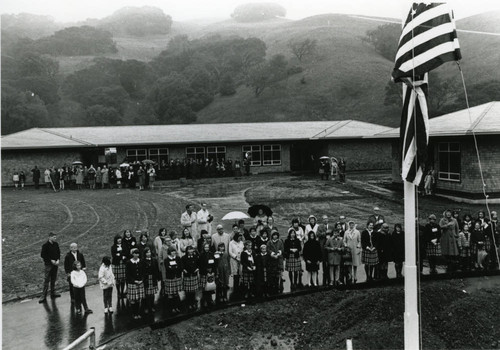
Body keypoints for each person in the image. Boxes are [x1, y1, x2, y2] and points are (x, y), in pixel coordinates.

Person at [39, 232, 61, 303]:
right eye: (54, 237)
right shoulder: (45, 246)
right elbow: (43, 255)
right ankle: (43, 296)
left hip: (55, 265)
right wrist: (50, 260)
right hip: (48, 265)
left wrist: (58, 260)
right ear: (50, 237)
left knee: (53, 279)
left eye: (55, 237)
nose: (55, 238)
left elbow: (58, 252)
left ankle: (52, 292)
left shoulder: (56, 244)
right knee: (46, 280)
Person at [126, 248, 145, 319]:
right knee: (133, 300)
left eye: (138, 254)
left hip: (140, 282)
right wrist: (134, 281)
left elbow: (143, 272)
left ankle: (138, 313)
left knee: (138, 299)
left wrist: (142, 280)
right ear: (132, 254)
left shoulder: (141, 261)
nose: (136, 255)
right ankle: (134, 314)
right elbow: (128, 275)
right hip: (133, 283)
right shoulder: (129, 262)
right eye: (135, 253)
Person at [163, 247, 182, 314]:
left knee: (176, 293)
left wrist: (173, 268)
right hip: (170, 278)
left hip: (177, 277)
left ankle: (176, 307)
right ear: (169, 252)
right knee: (170, 294)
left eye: (174, 251)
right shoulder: (166, 260)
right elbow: (168, 269)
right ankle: (171, 308)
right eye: (172, 252)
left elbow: (180, 267)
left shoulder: (178, 258)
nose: (173, 253)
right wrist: (175, 267)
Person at [181, 245, 200, 311]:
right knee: (188, 292)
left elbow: (198, 264)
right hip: (187, 276)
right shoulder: (183, 258)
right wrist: (184, 270)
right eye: (189, 250)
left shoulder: (195, 257)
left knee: (193, 291)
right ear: (187, 251)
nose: (190, 252)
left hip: (194, 275)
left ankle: (193, 303)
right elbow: (182, 266)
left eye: (191, 250)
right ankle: (188, 304)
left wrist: (197, 269)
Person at [142, 248, 159, 315]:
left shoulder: (154, 260)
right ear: (145, 254)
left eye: (149, 252)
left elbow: (156, 269)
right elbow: (142, 271)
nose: (149, 253)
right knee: (146, 294)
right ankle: (146, 307)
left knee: (152, 294)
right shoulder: (143, 261)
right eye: (147, 252)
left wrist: (157, 277)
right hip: (146, 278)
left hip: (153, 278)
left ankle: (152, 306)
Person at [199, 242, 216, 308]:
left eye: (208, 247)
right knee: (205, 288)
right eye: (205, 247)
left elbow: (214, 264)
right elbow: (201, 265)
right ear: (203, 247)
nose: (207, 248)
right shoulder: (201, 255)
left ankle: (210, 300)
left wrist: (213, 271)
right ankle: (204, 301)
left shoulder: (211, 254)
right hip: (204, 273)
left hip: (211, 273)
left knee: (210, 287)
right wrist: (207, 273)